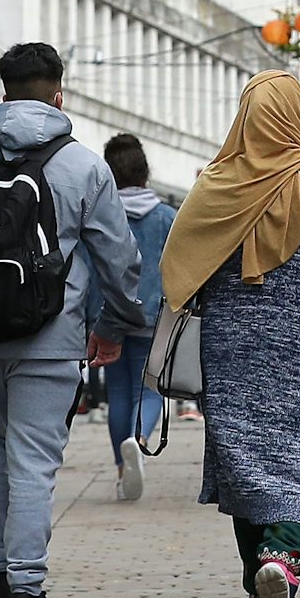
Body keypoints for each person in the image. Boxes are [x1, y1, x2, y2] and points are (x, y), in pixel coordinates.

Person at [0, 42, 146, 598]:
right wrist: (115, 325)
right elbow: (118, 259)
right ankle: (27, 592)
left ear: (2, 94)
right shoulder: (82, 166)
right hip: (50, 338)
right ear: (59, 93)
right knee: (32, 462)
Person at [159, 71, 300, 598]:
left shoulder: (215, 187)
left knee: (244, 461)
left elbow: (182, 270)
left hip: (233, 348)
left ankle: (260, 579)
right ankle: (284, 558)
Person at [103, 133, 174, 499]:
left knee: (117, 391)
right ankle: (140, 438)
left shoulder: (103, 216)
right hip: (155, 318)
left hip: (112, 317)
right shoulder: (166, 218)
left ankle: (121, 471)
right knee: (148, 388)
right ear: (145, 173)